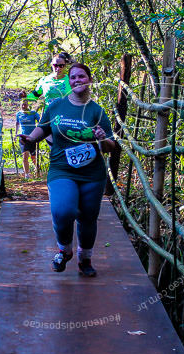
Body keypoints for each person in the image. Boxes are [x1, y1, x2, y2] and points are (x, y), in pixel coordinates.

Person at [19, 63, 116, 277]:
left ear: (89, 80)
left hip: (92, 173)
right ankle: (65, 250)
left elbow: (111, 146)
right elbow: (43, 128)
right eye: (72, 78)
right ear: (68, 82)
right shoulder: (56, 107)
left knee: (88, 217)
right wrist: (30, 138)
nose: (77, 80)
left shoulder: (97, 111)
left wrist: (102, 139)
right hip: (62, 169)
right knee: (63, 210)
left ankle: (85, 259)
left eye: (81, 76)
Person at [14, 98, 41, 179]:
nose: (23, 106)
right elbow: (17, 124)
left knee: (33, 157)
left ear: (28, 105)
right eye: (22, 105)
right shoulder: (18, 114)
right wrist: (15, 134)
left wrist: (40, 132)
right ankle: (27, 175)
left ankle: (38, 172)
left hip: (32, 137)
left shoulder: (33, 113)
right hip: (22, 137)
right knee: (25, 155)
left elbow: (40, 121)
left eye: (25, 104)